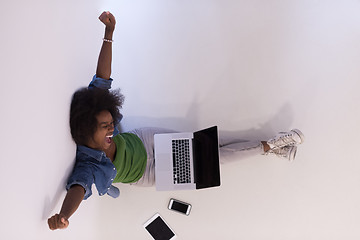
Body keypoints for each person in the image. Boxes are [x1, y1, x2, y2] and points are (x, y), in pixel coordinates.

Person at [47, 11, 304, 230]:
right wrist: (64, 216)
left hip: (146, 140)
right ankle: (271, 145)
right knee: (216, 161)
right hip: (150, 173)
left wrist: (109, 33)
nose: (112, 127)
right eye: (105, 127)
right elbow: (77, 189)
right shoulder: (87, 164)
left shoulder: (95, 107)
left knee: (213, 143)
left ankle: (272, 147)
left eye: (110, 121)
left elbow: (103, 75)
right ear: (87, 133)